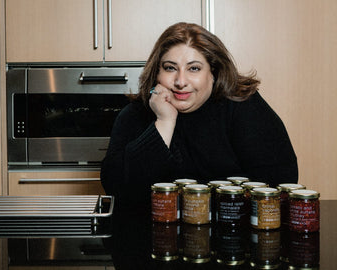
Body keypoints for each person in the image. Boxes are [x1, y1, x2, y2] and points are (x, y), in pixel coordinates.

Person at [101, 22, 298, 210]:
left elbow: (280, 180)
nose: (180, 81)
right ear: (157, 73)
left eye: (194, 68)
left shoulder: (243, 106)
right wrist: (164, 122)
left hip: (234, 231)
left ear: (213, 73)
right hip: (150, 235)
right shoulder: (134, 114)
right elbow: (117, 188)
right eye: (170, 68)